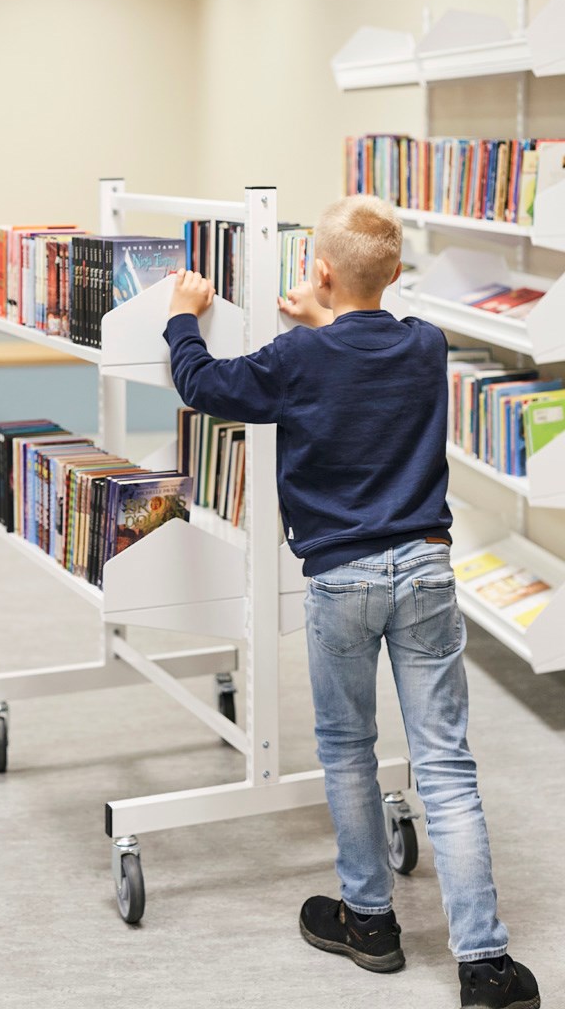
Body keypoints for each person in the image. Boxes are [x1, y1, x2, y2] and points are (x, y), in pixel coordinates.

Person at [163, 194, 539, 1009]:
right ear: (395, 274)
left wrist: (184, 316)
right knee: (446, 765)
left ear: (320, 272)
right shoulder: (427, 344)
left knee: (346, 749)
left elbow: (203, 384)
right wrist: (329, 317)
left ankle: (368, 922)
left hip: (340, 578)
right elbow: (366, 356)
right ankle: (485, 966)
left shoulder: (296, 358)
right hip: (427, 569)